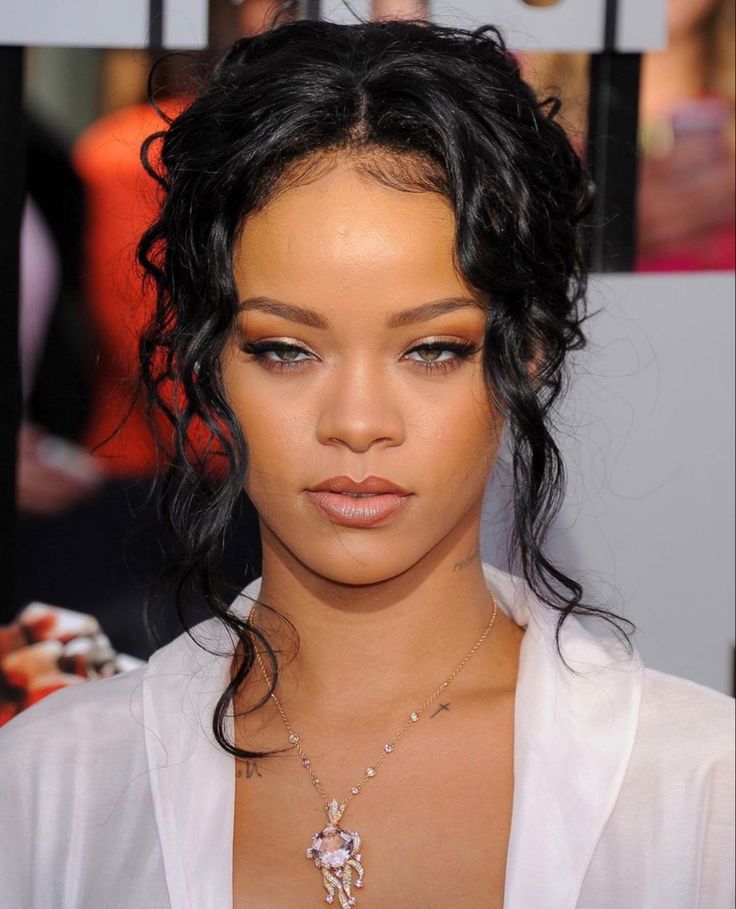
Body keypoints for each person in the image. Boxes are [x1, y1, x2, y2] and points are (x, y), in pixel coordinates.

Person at [1, 15, 733, 909]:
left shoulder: (699, 789)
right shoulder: (50, 789)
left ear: (527, 351)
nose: (356, 423)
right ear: (209, 357)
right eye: (285, 348)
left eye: (431, 349)